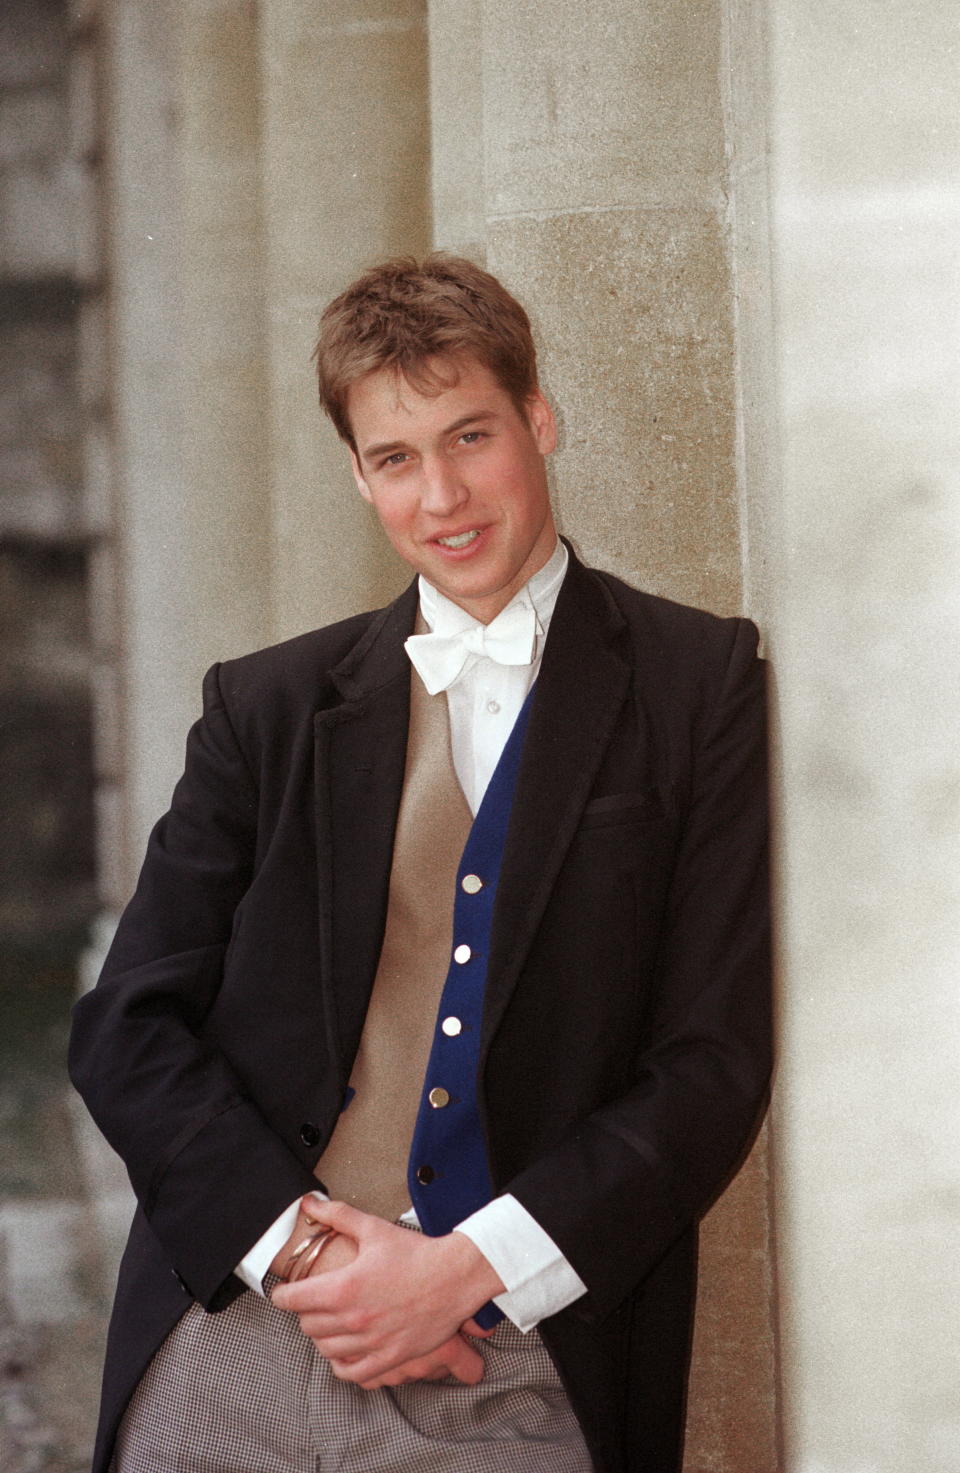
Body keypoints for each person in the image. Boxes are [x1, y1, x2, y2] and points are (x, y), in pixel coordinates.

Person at [70, 254, 771, 1473]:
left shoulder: (696, 685)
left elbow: (713, 1061)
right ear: (357, 475)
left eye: (470, 436)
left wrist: (462, 1272)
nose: (442, 494)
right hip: (239, 1324)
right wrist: (304, 1252)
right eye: (397, 458)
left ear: (538, 422)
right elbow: (126, 1026)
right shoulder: (268, 706)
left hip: (520, 1354)